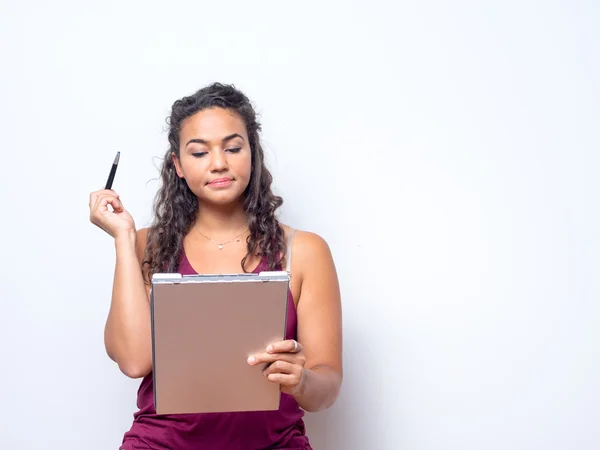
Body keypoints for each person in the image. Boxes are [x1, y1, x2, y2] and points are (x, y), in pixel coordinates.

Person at [88, 82, 343, 449]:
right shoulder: (147, 244)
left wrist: (301, 380)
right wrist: (124, 239)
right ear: (177, 164)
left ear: (252, 153)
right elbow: (133, 362)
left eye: (233, 147)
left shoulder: (304, 250)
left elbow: (327, 389)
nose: (219, 163)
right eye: (199, 152)